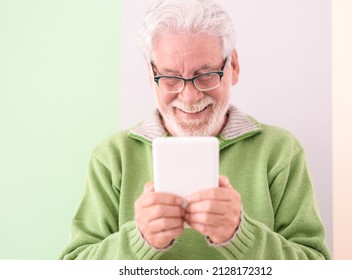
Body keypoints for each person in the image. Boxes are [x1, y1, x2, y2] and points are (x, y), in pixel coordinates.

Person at [60, 0, 331, 260]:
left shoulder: (280, 152)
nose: (189, 97)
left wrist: (242, 235)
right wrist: (138, 240)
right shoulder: (112, 157)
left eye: (205, 75)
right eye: (170, 78)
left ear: (233, 67)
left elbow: (315, 266)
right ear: (150, 76)